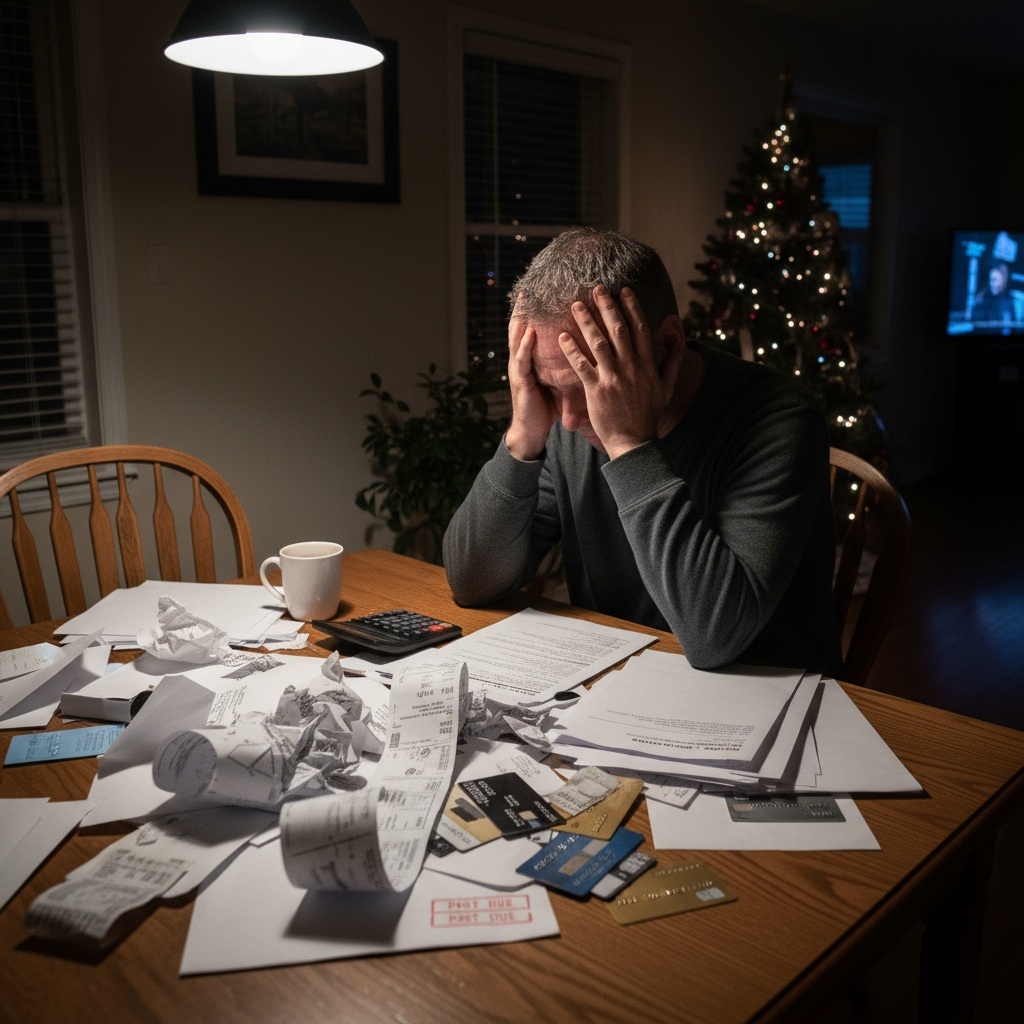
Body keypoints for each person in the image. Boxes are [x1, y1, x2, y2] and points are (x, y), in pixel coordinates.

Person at [443, 228, 844, 676]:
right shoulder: (563, 422)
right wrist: (522, 437)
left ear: (669, 342)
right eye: (552, 388)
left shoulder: (781, 418)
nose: (571, 419)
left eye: (592, 385)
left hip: (770, 694)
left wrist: (629, 445)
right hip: (622, 677)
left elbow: (716, 638)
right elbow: (473, 582)